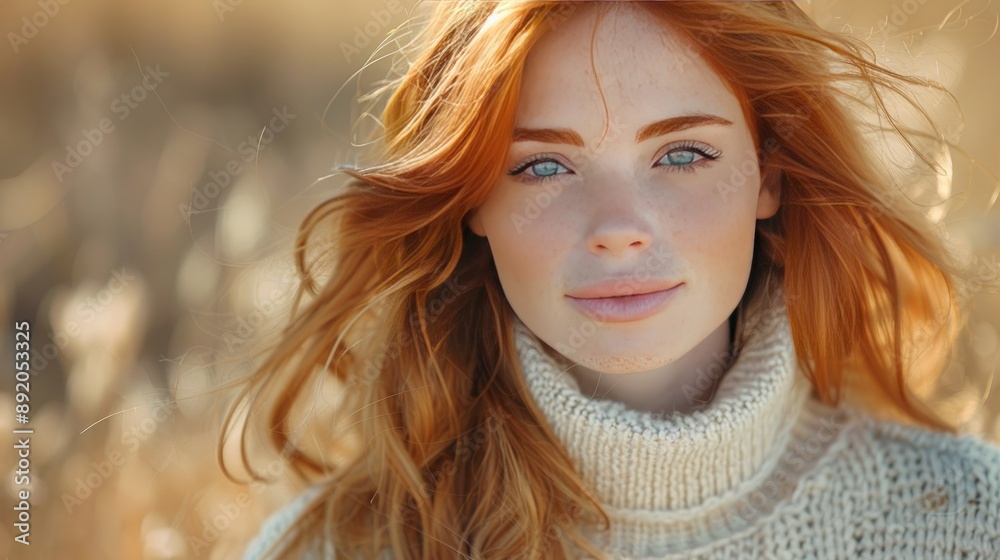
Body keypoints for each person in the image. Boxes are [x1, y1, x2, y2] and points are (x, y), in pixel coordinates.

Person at [232, 1, 1000, 558]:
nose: (616, 227)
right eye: (542, 166)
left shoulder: (967, 520)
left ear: (768, 174)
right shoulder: (336, 549)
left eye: (682, 155)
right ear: (472, 200)